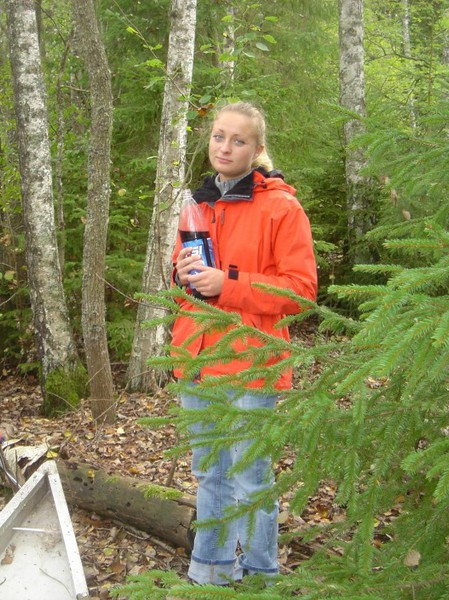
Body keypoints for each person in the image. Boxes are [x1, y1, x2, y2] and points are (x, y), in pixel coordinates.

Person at [171, 101, 318, 585]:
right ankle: (209, 572)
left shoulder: (282, 207)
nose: (225, 147)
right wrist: (182, 274)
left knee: (250, 480)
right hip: (196, 358)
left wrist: (227, 285)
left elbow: (301, 292)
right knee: (209, 475)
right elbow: (184, 275)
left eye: (238, 140)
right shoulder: (199, 202)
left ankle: (260, 577)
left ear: (257, 149)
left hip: (251, 363)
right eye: (218, 137)